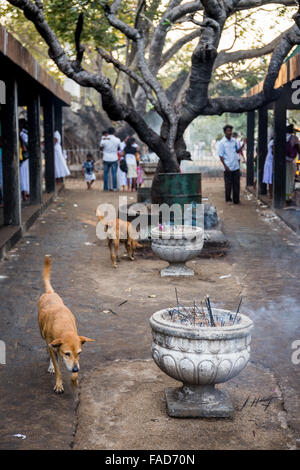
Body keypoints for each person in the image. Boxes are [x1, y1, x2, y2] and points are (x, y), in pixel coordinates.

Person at [218, 124, 243, 205]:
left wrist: (243, 144)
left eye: (230, 131)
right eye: (228, 131)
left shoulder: (234, 141)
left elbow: (237, 151)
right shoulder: (222, 142)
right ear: (225, 132)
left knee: (236, 184)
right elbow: (221, 156)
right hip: (228, 167)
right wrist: (225, 166)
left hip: (236, 166)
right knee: (228, 185)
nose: (229, 132)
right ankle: (228, 199)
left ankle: (236, 200)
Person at [100, 127, 120, 191]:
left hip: (106, 158)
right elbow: (119, 148)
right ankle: (114, 188)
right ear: (114, 132)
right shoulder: (117, 139)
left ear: (108, 132)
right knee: (114, 174)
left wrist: (104, 150)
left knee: (105, 174)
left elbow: (101, 147)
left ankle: (105, 188)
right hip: (114, 158)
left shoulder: (104, 139)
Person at [286, 124, 299, 203]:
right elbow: (298, 149)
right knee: (290, 179)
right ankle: (288, 198)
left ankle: (284, 196)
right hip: (291, 161)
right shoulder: (294, 138)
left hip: (282, 162)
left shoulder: (282, 137)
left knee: (284, 179)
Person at [19, 119, 30, 201]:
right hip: (25, 159)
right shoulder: (26, 133)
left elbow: (25, 148)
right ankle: (25, 194)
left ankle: (24, 194)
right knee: (25, 177)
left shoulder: (22, 134)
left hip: (23, 159)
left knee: (23, 177)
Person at [262, 135, 274, 200]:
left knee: (271, 179)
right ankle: (271, 196)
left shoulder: (271, 141)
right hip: (270, 162)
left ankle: (271, 195)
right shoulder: (273, 142)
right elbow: (273, 151)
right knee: (270, 179)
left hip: (270, 161)